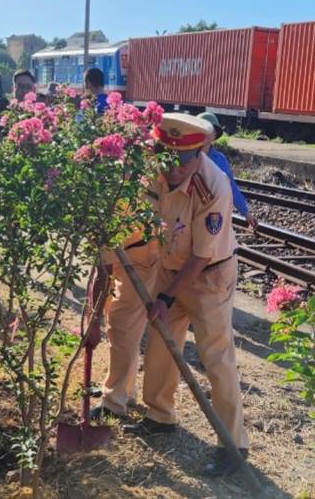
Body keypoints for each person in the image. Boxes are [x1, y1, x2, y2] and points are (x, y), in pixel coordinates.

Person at [123, 113, 249, 478]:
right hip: (170, 268)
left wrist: (165, 297)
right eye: (166, 156)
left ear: (200, 153)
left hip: (208, 276)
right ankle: (160, 415)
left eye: (182, 160)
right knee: (162, 342)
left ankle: (234, 444)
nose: (173, 168)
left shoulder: (214, 187)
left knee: (215, 356)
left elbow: (201, 255)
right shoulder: (156, 169)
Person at [91, 222, 159, 420]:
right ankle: (123, 388)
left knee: (122, 326)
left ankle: (114, 401)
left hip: (141, 261)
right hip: (124, 256)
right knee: (114, 320)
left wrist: (93, 321)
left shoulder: (109, 203)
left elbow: (103, 272)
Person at [197, 112, 258, 229]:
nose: (205, 133)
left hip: (213, 212)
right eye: (201, 129)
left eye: (209, 129)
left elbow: (231, 187)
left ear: (215, 134)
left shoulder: (220, 159)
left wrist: (246, 212)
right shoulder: (187, 156)